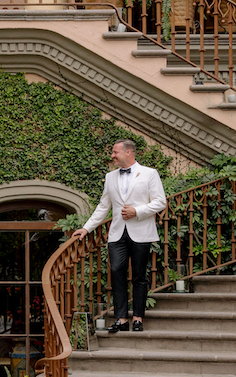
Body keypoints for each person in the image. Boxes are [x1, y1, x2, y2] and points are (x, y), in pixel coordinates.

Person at [72, 139, 167, 333]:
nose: (112, 156)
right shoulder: (110, 177)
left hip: (141, 232)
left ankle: (138, 318)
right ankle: (121, 319)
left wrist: (137, 211)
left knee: (139, 276)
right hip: (117, 234)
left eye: (115, 152)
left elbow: (160, 202)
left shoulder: (149, 174)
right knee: (117, 272)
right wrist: (86, 228)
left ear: (129, 153)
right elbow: (103, 206)